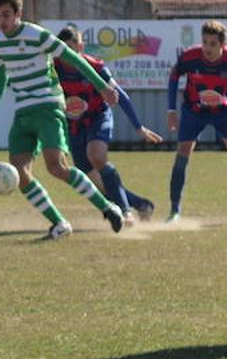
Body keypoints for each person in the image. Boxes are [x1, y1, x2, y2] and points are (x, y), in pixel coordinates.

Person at [0, 0, 125, 240]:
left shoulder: (37, 35)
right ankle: (59, 224)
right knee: (19, 173)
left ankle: (108, 208)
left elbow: (75, 59)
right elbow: (1, 77)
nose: (2, 21)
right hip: (23, 113)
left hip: (48, 107)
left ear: (18, 13)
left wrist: (102, 87)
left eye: (6, 14)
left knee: (57, 167)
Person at [54, 24, 161, 221]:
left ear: (81, 47)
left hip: (97, 118)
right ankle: (141, 204)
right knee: (93, 182)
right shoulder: (53, 69)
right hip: (74, 127)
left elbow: (121, 96)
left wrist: (138, 127)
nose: (67, 53)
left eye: (72, 47)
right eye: (63, 48)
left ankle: (125, 212)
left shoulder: (94, 67)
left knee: (97, 156)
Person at [165, 19, 227, 221]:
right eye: (204, 42)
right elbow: (174, 77)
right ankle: (174, 211)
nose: (207, 48)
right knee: (182, 153)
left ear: (222, 45)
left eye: (212, 44)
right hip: (194, 110)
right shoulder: (189, 57)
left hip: (224, 111)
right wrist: (171, 110)